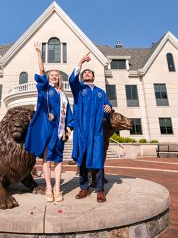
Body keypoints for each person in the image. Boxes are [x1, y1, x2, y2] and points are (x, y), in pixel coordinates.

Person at [25, 42, 73, 202]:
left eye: (56, 74)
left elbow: (69, 114)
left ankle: (58, 187)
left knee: (58, 159)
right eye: (51, 74)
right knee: (46, 158)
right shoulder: (45, 89)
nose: (54, 76)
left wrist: (69, 127)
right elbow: (41, 71)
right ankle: (48, 187)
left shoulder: (63, 95)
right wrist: (39, 53)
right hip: (47, 128)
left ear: (59, 78)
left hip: (59, 130)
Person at [69, 52, 112, 203]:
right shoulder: (79, 89)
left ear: (93, 76)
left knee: (98, 160)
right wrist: (81, 61)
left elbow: (108, 106)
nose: (87, 73)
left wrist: (108, 107)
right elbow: (72, 79)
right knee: (83, 159)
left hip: (97, 131)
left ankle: (100, 190)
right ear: (82, 76)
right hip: (82, 130)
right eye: (85, 72)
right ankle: (84, 188)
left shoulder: (101, 92)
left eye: (89, 72)